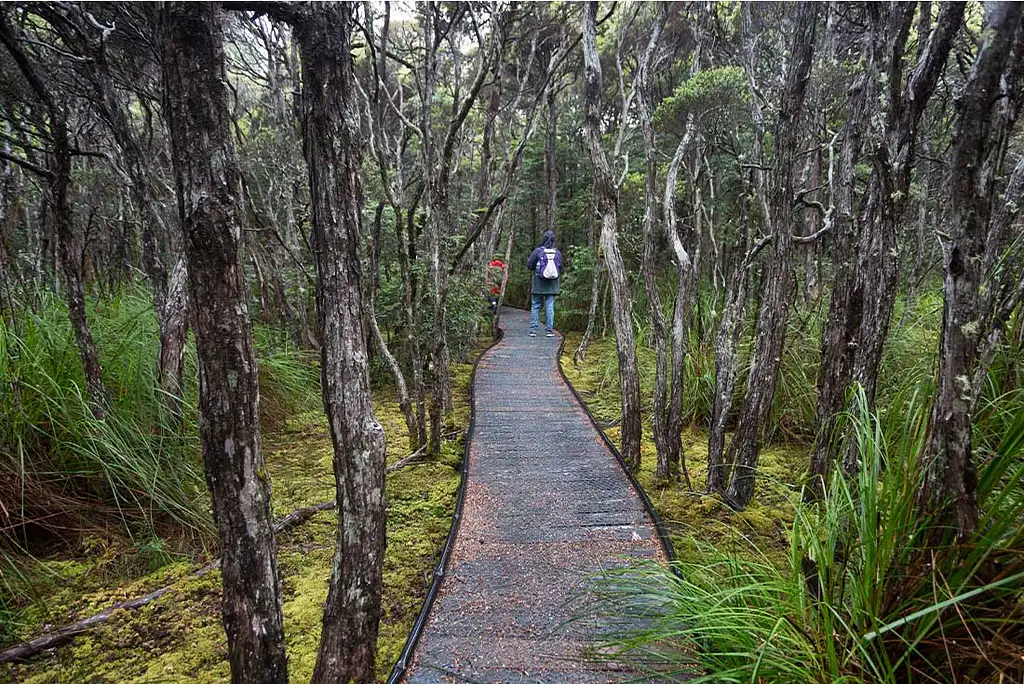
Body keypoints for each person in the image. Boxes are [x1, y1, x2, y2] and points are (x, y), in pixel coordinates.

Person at [525, 230, 563, 337]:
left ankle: (533, 330)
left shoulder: (538, 251)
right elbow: (561, 268)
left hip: (538, 283)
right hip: (552, 284)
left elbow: (529, 265)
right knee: (549, 306)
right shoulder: (557, 253)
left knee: (535, 305)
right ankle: (549, 331)